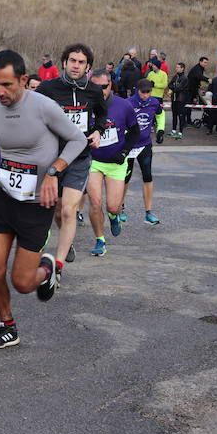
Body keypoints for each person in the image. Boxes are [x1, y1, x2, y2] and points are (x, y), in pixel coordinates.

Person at [0, 50, 86, 348]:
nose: (0, 92)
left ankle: (48, 269)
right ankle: (7, 325)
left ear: (23, 80)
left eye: (7, 85)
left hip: (37, 203)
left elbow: (78, 139)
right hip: (3, 197)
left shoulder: (44, 107)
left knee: (24, 283)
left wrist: (54, 171)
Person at [36, 43, 107, 278]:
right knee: (57, 211)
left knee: (68, 211)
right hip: (53, 159)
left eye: (81, 62)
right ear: (64, 62)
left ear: (88, 67)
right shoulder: (47, 88)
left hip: (80, 158)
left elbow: (102, 115)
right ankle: (68, 240)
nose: (76, 65)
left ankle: (57, 267)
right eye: (73, 61)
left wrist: (98, 131)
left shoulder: (94, 91)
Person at [86, 69, 140, 256]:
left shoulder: (123, 105)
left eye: (103, 87)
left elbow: (135, 132)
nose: (99, 91)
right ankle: (100, 240)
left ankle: (113, 216)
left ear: (110, 85)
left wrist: (124, 152)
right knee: (95, 203)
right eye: (94, 87)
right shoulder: (86, 105)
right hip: (93, 161)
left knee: (113, 206)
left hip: (116, 163)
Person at [123, 79, 165, 225]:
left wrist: (160, 129)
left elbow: (160, 114)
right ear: (137, 90)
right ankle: (120, 208)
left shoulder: (154, 102)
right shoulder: (128, 103)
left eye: (148, 92)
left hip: (145, 145)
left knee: (147, 176)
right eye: (143, 92)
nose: (146, 95)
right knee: (125, 178)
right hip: (129, 146)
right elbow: (120, 120)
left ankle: (148, 212)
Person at [167, 63, 189, 139]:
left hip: (181, 100)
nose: (176, 68)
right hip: (174, 99)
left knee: (181, 116)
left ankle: (180, 132)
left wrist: (174, 87)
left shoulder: (184, 78)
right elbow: (169, 84)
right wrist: (174, 86)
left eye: (178, 67)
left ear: (182, 68)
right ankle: (173, 131)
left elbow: (178, 88)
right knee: (174, 115)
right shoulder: (175, 76)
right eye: (176, 67)